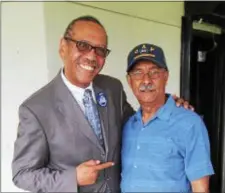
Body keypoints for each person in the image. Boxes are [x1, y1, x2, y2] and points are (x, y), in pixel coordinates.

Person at [12, 15, 192, 192]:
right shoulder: (36, 109)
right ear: (63, 47)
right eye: (83, 45)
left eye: (100, 50)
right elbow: (22, 174)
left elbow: (139, 124)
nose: (92, 56)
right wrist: (72, 177)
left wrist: (166, 104)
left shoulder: (112, 88)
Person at [121, 43, 215, 192]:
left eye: (154, 72)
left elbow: (201, 189)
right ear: (129, 80)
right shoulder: (127, 125)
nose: (146, 80)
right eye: (138, 73)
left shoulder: (190, 123)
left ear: (166, 76)